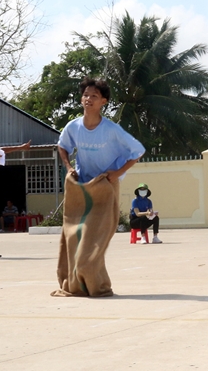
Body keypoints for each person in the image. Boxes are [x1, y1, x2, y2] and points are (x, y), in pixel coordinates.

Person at [54, 77, 145, 297]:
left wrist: (117, 173)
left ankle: (98, 285)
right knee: (74, 238)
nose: (88, 99)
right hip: (82, 188)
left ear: (103, 101)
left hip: (105, 187)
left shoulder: (112, 130)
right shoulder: (73, 126)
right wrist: (68, 167)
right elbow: (62, 146)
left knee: (94, 244)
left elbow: (138, 151)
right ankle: (82, 284)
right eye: (85, 95)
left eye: (94, 96)